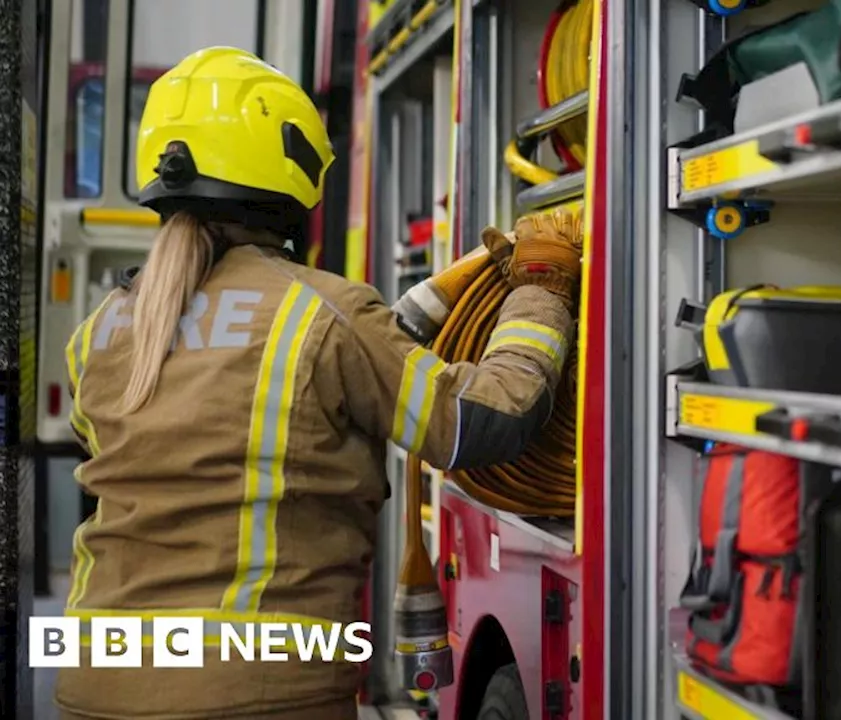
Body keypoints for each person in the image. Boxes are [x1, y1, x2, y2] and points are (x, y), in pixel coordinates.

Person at [54, 46, 580, 720]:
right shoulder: (321, 312)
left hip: (94, 680)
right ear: (288, 165)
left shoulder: (101, 329)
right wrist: (541, 289)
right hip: (253, 692)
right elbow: (486, 420)